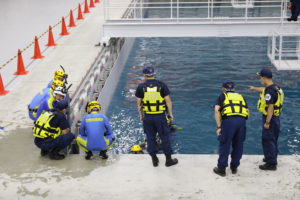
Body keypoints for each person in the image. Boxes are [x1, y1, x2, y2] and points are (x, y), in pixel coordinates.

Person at [135, 65, 178, 167]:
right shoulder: (161, 85)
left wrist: (141, 115)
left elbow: (139, 103)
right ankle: (168, 160)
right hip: (160, 116)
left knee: (150, 138)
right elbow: (168, 101)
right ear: (153, 73)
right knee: (165, 137)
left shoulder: (141, 87)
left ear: (144, 75)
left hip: (148, 116)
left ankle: (154, 160)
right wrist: (170, 114)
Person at [249, 68, 284, 170]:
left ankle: (271, 164)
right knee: (273, 139)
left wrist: (267, 122)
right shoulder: (275, 87)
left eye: (260, 77)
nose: (260, 78)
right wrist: (254, 88)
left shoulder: (270, 91)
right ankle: (271, 156)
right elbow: (263, 90)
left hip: (270, 118)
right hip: (275, 118)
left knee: (268, 139)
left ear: (264, 78)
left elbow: (270, 107)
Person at [213, 81, 249, 177]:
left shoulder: (222, 96)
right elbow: (247, 112)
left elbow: (217, 110)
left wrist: (219, 127)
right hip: (241, 121)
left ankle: (221, 168)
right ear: (234, 89)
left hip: (229, 121)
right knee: (238, 145)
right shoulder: (241, 96)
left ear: (223, 89)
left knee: (225, 144)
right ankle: (234, 167)